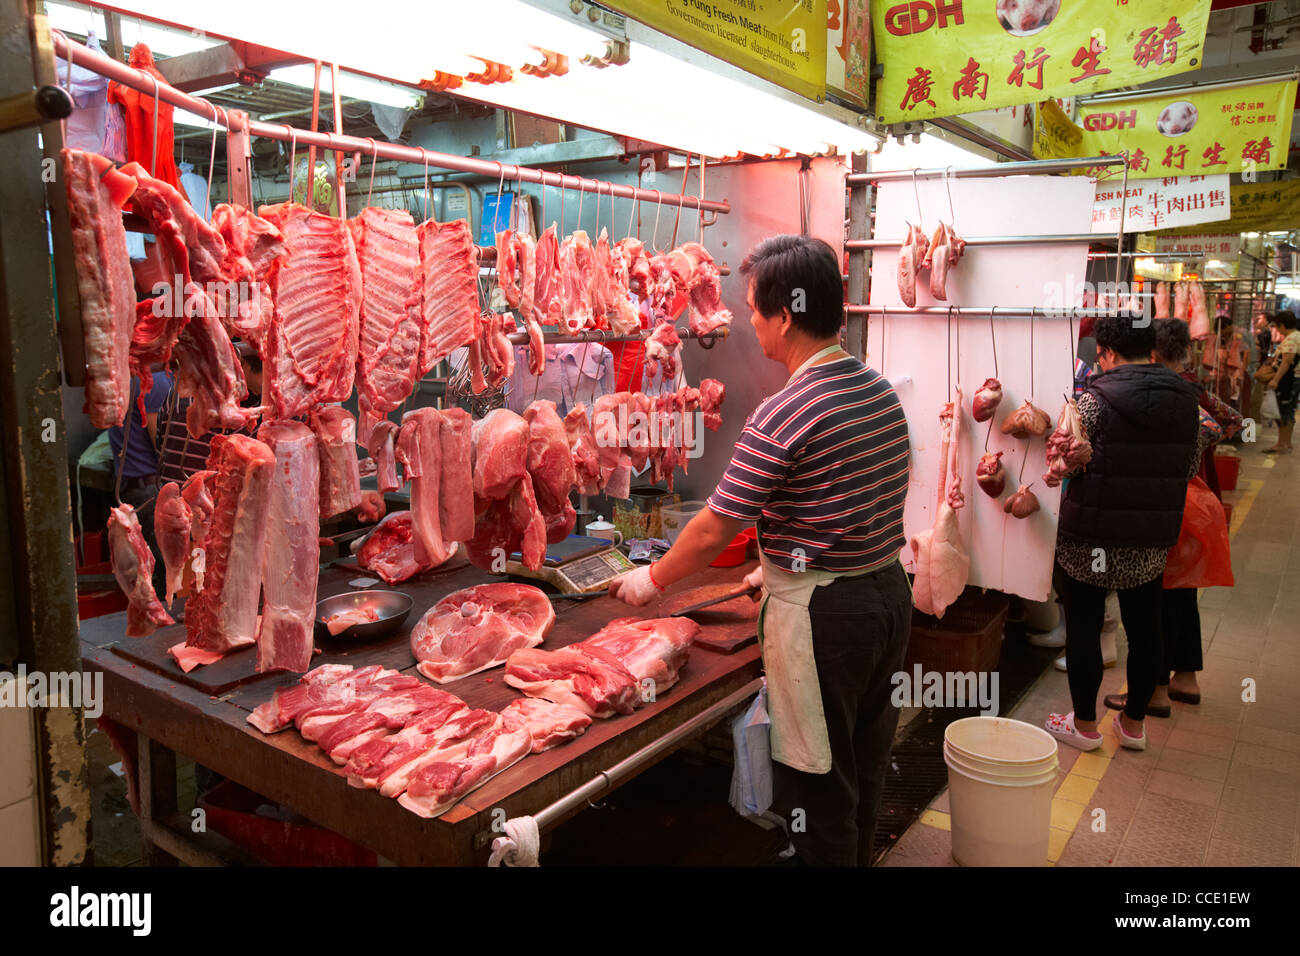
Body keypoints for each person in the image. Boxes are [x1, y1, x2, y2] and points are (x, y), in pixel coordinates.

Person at [609, 235, 912, 866]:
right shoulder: (878, 391)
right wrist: (781, 562)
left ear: (786, 315)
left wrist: (652, 581)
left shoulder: (786, 410)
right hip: (887, 599)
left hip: (829, 621)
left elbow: (716, 527)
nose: (750, 322)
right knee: (864, 761)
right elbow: (853, 504)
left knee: (819, 784)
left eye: (753, 309)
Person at [1045, 314, 1204, 752]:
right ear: (1151, 350)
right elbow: (1189, 469)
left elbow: (1064, 464)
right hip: (1149, 537)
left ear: (1107, 354)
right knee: (1145, 627)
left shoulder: (1092, 403)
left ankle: (1084, 725)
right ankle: (1133, 724)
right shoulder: (1186, 402)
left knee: (1084, 626)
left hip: (1090, 537)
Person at [1104, 319, 1230, 717]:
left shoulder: (1171, 394)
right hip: (1197, 502)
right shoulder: (1194, 387)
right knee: (1182, 594)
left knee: (1154, 598)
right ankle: (1185, 678)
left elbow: (1211, 426)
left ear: (1153, 356)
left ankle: (1156, 691)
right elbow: (1230, 420)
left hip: (1174, 503)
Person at [157, 342, 263, 483]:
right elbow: (185, 483)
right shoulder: (194, 401)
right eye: (267, 374)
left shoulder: (244, 399)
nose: (275, 382)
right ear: (241, 364)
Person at [1262, 310, 1299, 455]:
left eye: (1276, 326)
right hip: (1293, 379)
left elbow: (1287, 362)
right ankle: (1286, 443)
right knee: (1288, 411)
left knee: (1283, 411)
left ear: (1282, 325)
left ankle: (1282, 444)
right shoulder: (1297, 336)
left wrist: (1275, 380)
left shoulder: (1291, 339)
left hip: (1288, 381)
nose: (1276, 329)